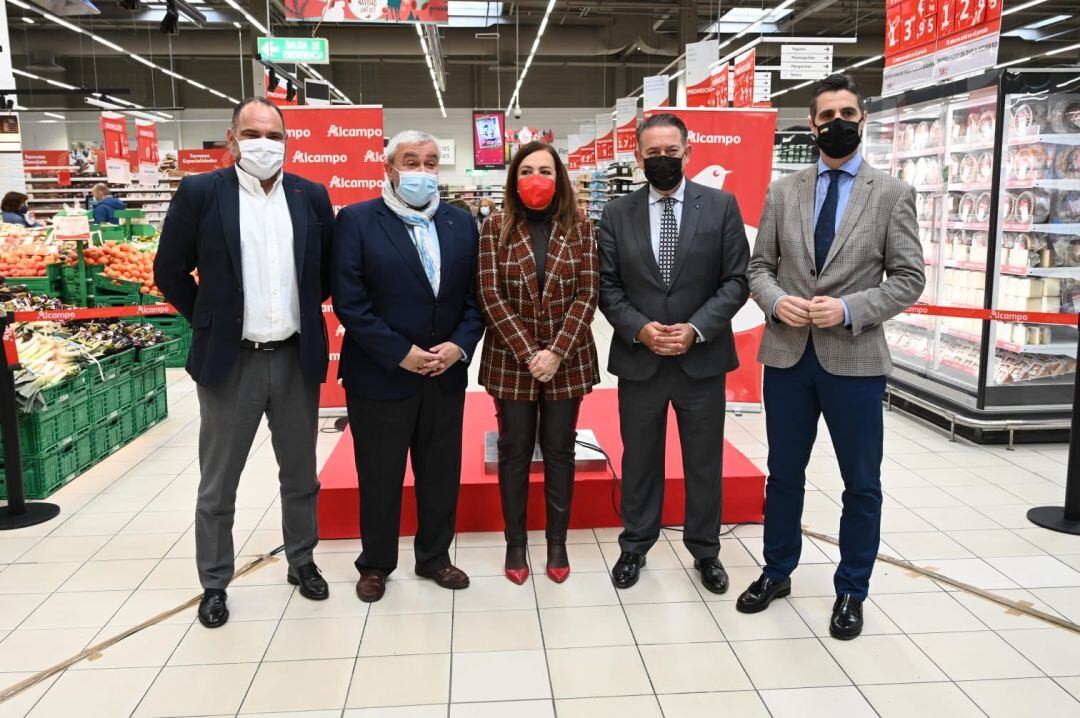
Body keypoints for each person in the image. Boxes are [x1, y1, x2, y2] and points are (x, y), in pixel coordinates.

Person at [741, 74, 925, 640]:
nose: (837, 122)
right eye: (827, 114)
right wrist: (777, 303)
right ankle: (777, 571)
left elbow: (910, 279)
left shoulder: (891, 193)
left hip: (857, 361)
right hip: (789, 357)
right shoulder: (783, 190)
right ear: (813, 123)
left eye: (848, 111)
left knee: (861, 483)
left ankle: (852, 589)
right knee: (784, 475)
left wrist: (847, 309)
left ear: (862, 119)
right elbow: (757, 269)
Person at [154, 97, 336, 629]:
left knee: (301, 474)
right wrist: (208, 321)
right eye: (253, 133)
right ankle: (214, 582)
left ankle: (301, 561)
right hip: (230, 362)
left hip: (294, 357)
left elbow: (322, 272)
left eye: (274, 134)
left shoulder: (310, 196)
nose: (264, 143)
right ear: (232, 138)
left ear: (287, 141)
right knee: (219, 481)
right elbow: (169, 271)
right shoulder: (201, 192)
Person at [598, 113, 750, 594]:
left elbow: (736, 281)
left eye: (671, 151)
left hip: (700, 360)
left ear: (688, 152)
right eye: (652, 153)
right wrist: (641, 329)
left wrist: (697, 329)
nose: (662, 160)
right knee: (640, 458)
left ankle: (706, 550)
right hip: (640, 360)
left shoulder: (722, 206)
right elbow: (607, 286)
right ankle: (635, 545)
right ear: (638, 156)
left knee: (703, 461)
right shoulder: (617, 213)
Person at [332, 130, 484, 603]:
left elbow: (476, 299)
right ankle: (376, 563)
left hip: (444, 374)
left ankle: (435, 557)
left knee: (440, 471)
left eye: (431, 162)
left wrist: (457, 347)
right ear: (389, 168)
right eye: (411, 161)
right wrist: (402, 352)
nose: (422, 170)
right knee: (380, 473)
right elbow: (350, 302)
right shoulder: (357, 221)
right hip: (380, 374)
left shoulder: (462, 223)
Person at [477, 141, 599, 585]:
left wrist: (556, 351)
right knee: (513, 452)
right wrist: (530, 352)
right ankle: (515, 541)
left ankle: (557, 540)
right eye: (527, 170)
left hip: (567, 360)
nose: (536, 179)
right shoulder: (495, 227)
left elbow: (589, 293)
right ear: (513, 178)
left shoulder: (581, 227)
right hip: (512, 361)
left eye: (546, 171)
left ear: (559, 178)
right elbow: (489, 294)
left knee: (560, 450)